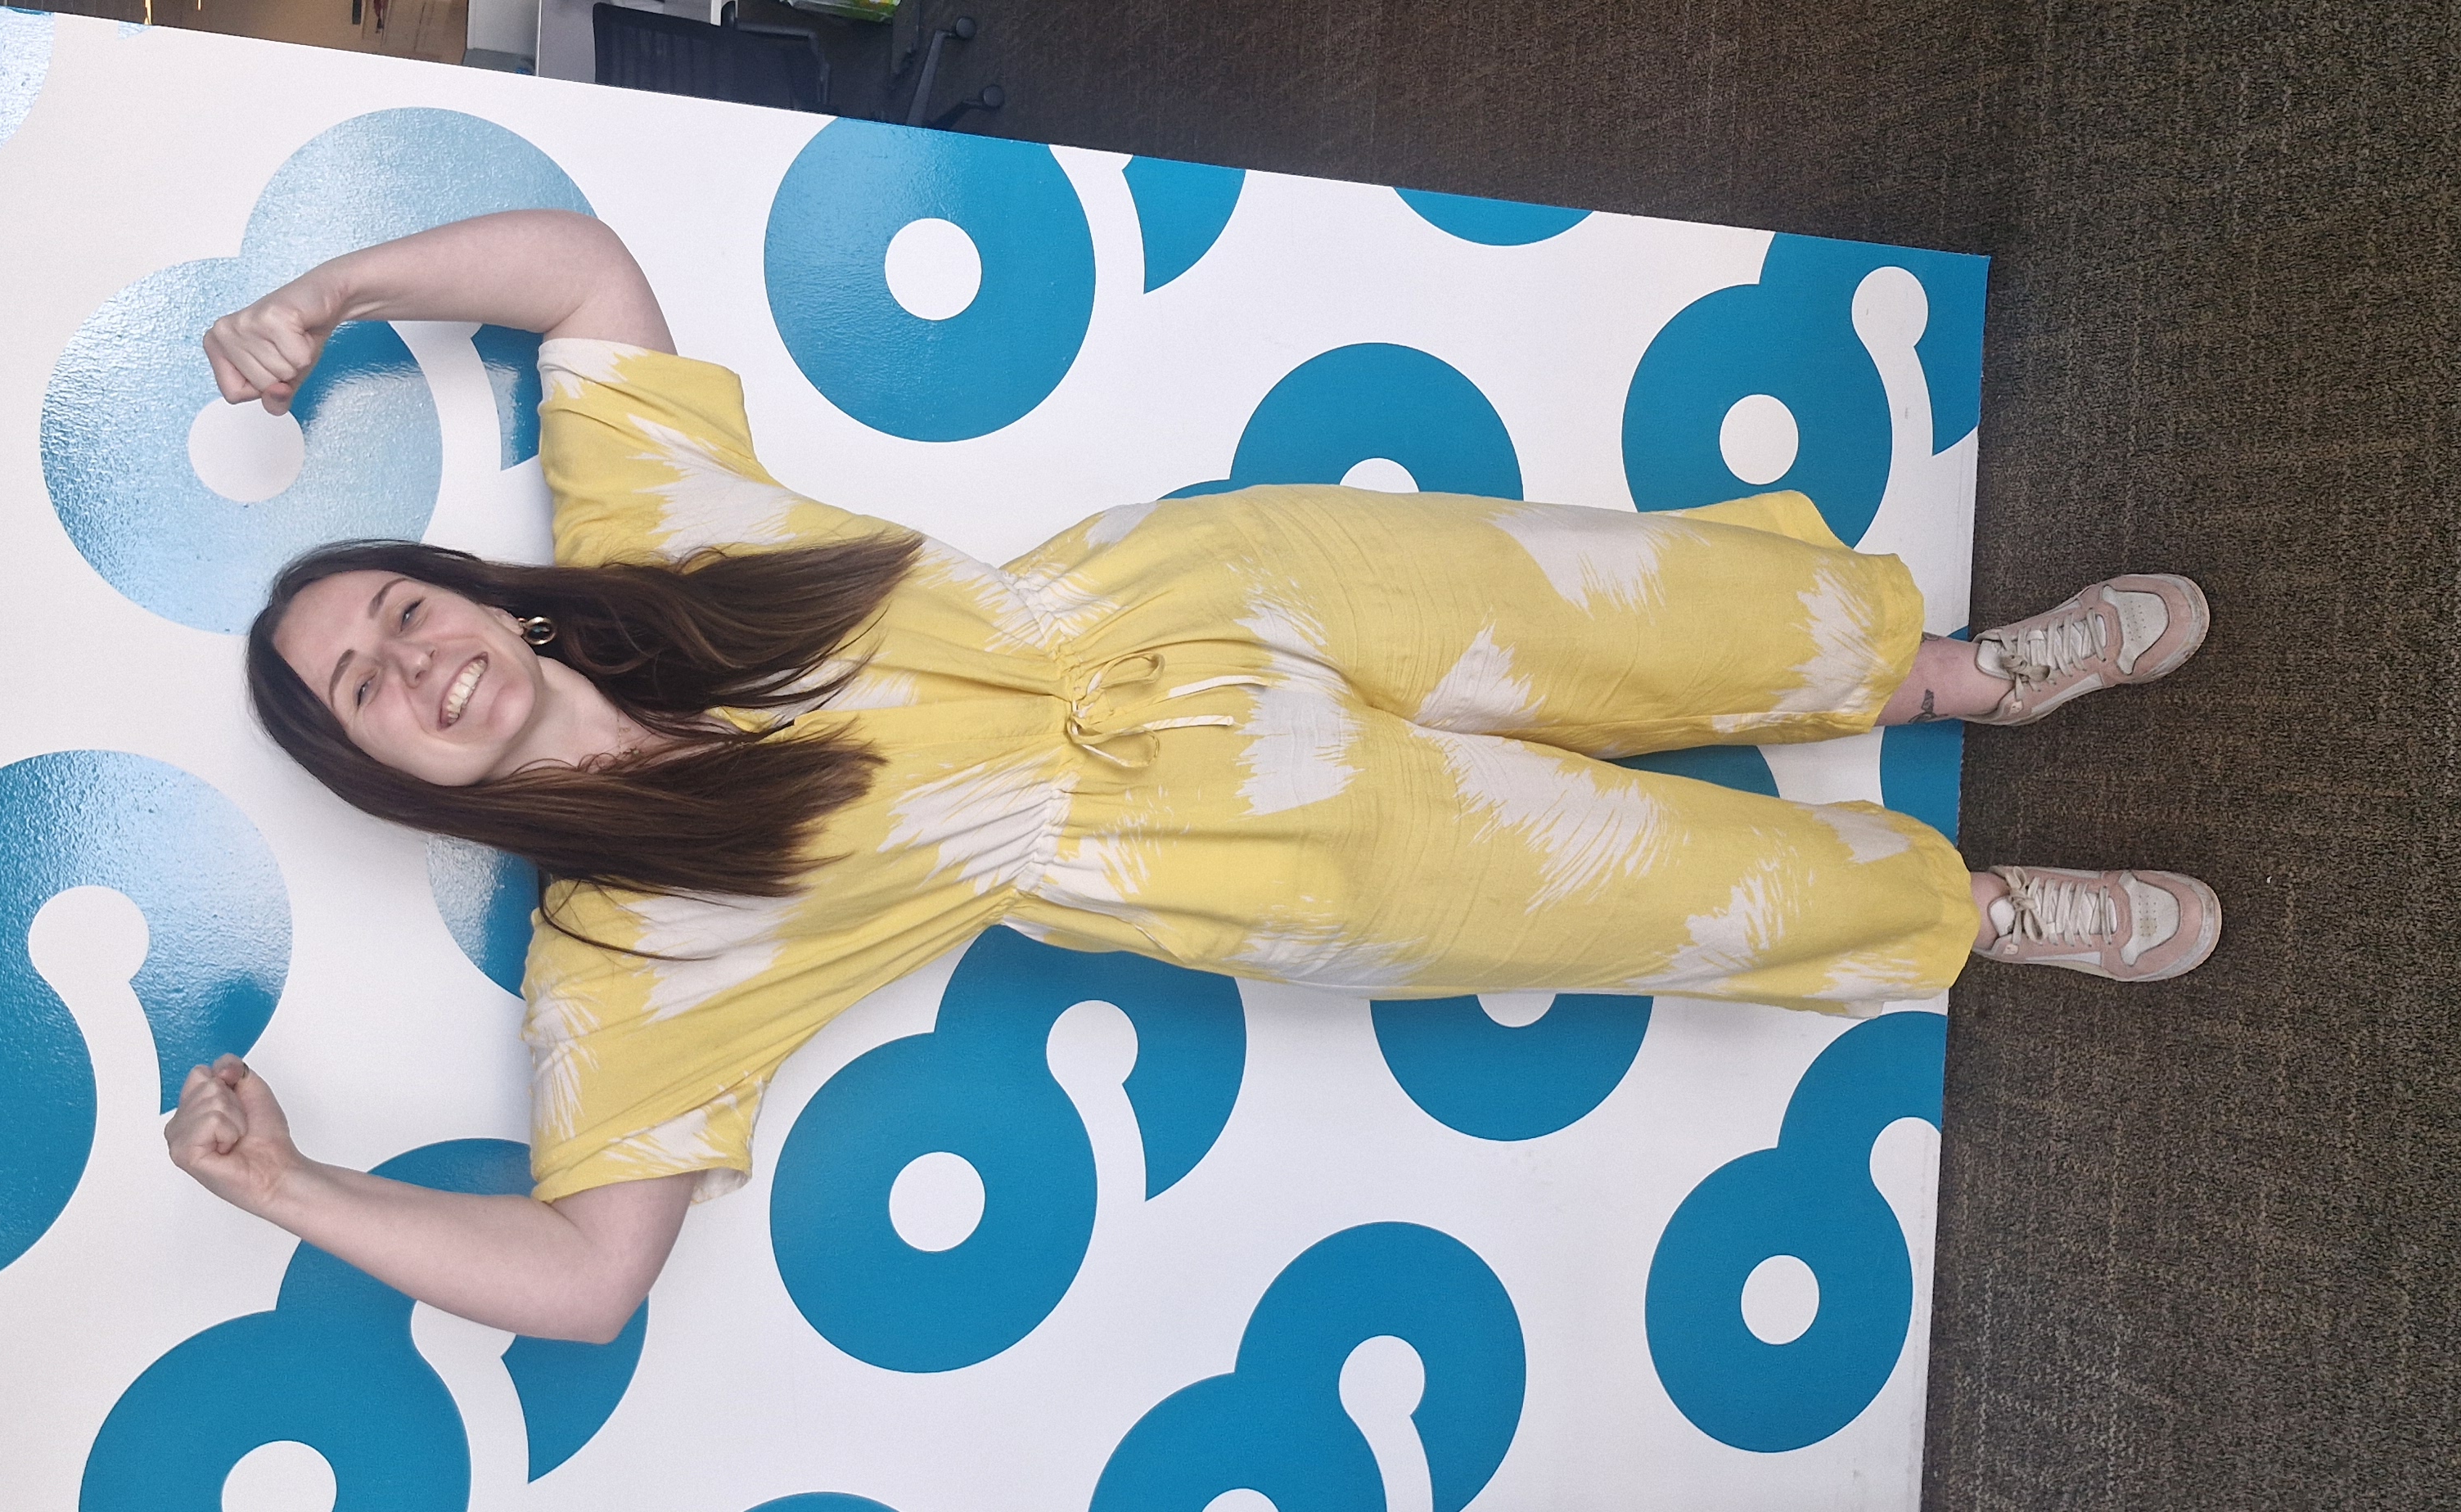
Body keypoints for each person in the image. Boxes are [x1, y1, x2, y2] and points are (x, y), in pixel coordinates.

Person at [163, 209, 2220, 1345]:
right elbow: (586, 1280)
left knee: (1644, 613)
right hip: (1238, 855)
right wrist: (289, 1189)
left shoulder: (641, 528)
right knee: (1645, 888)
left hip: (1225, 589)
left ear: (469, 589)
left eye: (401, 610)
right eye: (361, 688)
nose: (411, 661)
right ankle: (1976, 916)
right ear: (378, 771)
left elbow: (577, 269)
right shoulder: (623, 957)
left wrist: (332, 293)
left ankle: (1970, 678)